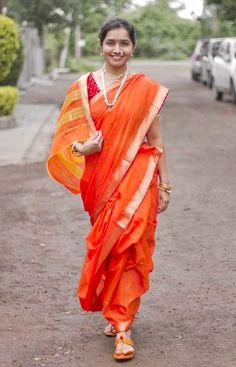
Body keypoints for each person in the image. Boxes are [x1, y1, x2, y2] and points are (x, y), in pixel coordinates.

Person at [47, 17, 171, 361]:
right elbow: (65, 142)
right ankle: (118, 309)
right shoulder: (83, 87)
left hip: (139, 180)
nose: (117, 50)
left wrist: (165, 184)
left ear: (134, 47)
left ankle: (123, 327)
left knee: (130, 250)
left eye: (124, 44)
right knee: (110, 251)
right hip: (100, 184)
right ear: (101, 45)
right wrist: (83, 150)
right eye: (111, 43)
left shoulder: (144, 89)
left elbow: (156, 138)